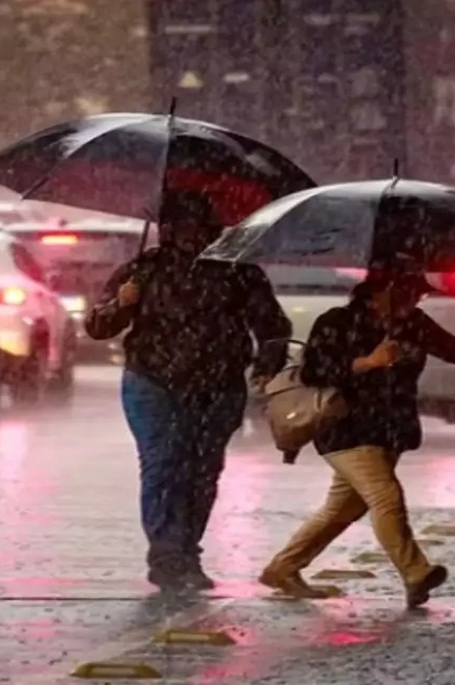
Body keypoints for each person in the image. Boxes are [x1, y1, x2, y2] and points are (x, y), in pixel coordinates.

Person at [85, 190, 292, 592]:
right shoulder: (143, 270)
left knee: (202, 471)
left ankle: (187, 550)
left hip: (218, 385)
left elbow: (272, 326)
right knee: (163, 463)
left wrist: (267, 367)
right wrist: (121, 304)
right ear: (167, 230)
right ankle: (166, 556)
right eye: (181, 229)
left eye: (199, 229)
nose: (190, 238)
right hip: (152, 382)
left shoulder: (238, 272)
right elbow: (98, 327)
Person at [257, 261, 455, 608]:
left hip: (388, 427)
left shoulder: (412, 323)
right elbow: (314, 371)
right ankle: (416, 573)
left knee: (342, 509)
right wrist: (367, 362)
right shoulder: (337, 322)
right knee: (385, 496)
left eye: (419, 295)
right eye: (409, 294)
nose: (415, 301)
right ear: (381, 291)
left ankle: (283, 568)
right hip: (345, 426)